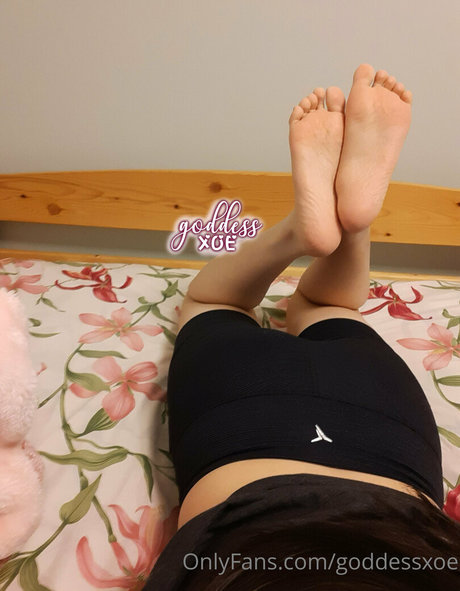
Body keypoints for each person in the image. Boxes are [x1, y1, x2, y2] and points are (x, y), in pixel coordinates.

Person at [146, 64, 460, 589]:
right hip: (246, 444)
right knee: (216, 302)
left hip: (388, 451)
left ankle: (326, 229)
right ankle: (327, 227)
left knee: (327, 308)